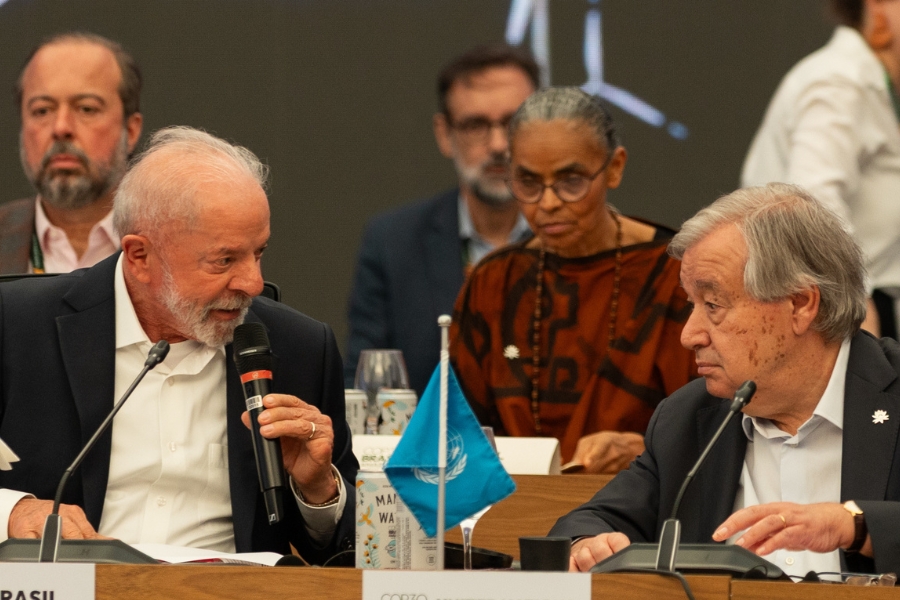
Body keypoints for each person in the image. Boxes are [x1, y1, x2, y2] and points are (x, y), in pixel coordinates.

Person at [0, 126, 356, 563]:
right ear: (139, 256)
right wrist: (12, 510)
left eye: (258, 253)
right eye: (224, 260)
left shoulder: (301, 348)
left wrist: (318, 490)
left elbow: (345, 548)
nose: (253, 282)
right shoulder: (15, 327)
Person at [553, 183, 900, 578]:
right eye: (692, 305)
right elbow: (587, 523)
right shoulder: (691, 417)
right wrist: (587, 544)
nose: (689, 335)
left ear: (801, 304)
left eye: (713, 305)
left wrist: (855, 525)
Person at [450, 87, 696, 474]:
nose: (547, 203)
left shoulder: (679, 275)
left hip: (640, 513)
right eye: (528, 183)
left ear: (614, 167)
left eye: (571, 182)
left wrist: (646, 448)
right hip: (508, 514)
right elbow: (454, 433)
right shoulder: (495, 282)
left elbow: (721, 426)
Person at [345, 43, 538, 396]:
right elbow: (366, 386)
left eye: (513, 123)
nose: (498, 144)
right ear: (444, 134)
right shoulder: (393, 243)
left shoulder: (579, 237)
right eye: (476, 124)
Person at [741, 0, 900, 336]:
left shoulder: (869, 82)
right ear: (877, 8)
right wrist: (852, 303)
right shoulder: (839, 82)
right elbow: (814, 199)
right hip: (841, 317)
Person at [0, 32, 143, 275]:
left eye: (86, 108)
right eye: (42, 110)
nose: (61, 128)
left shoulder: (171, 241)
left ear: (130, 131)